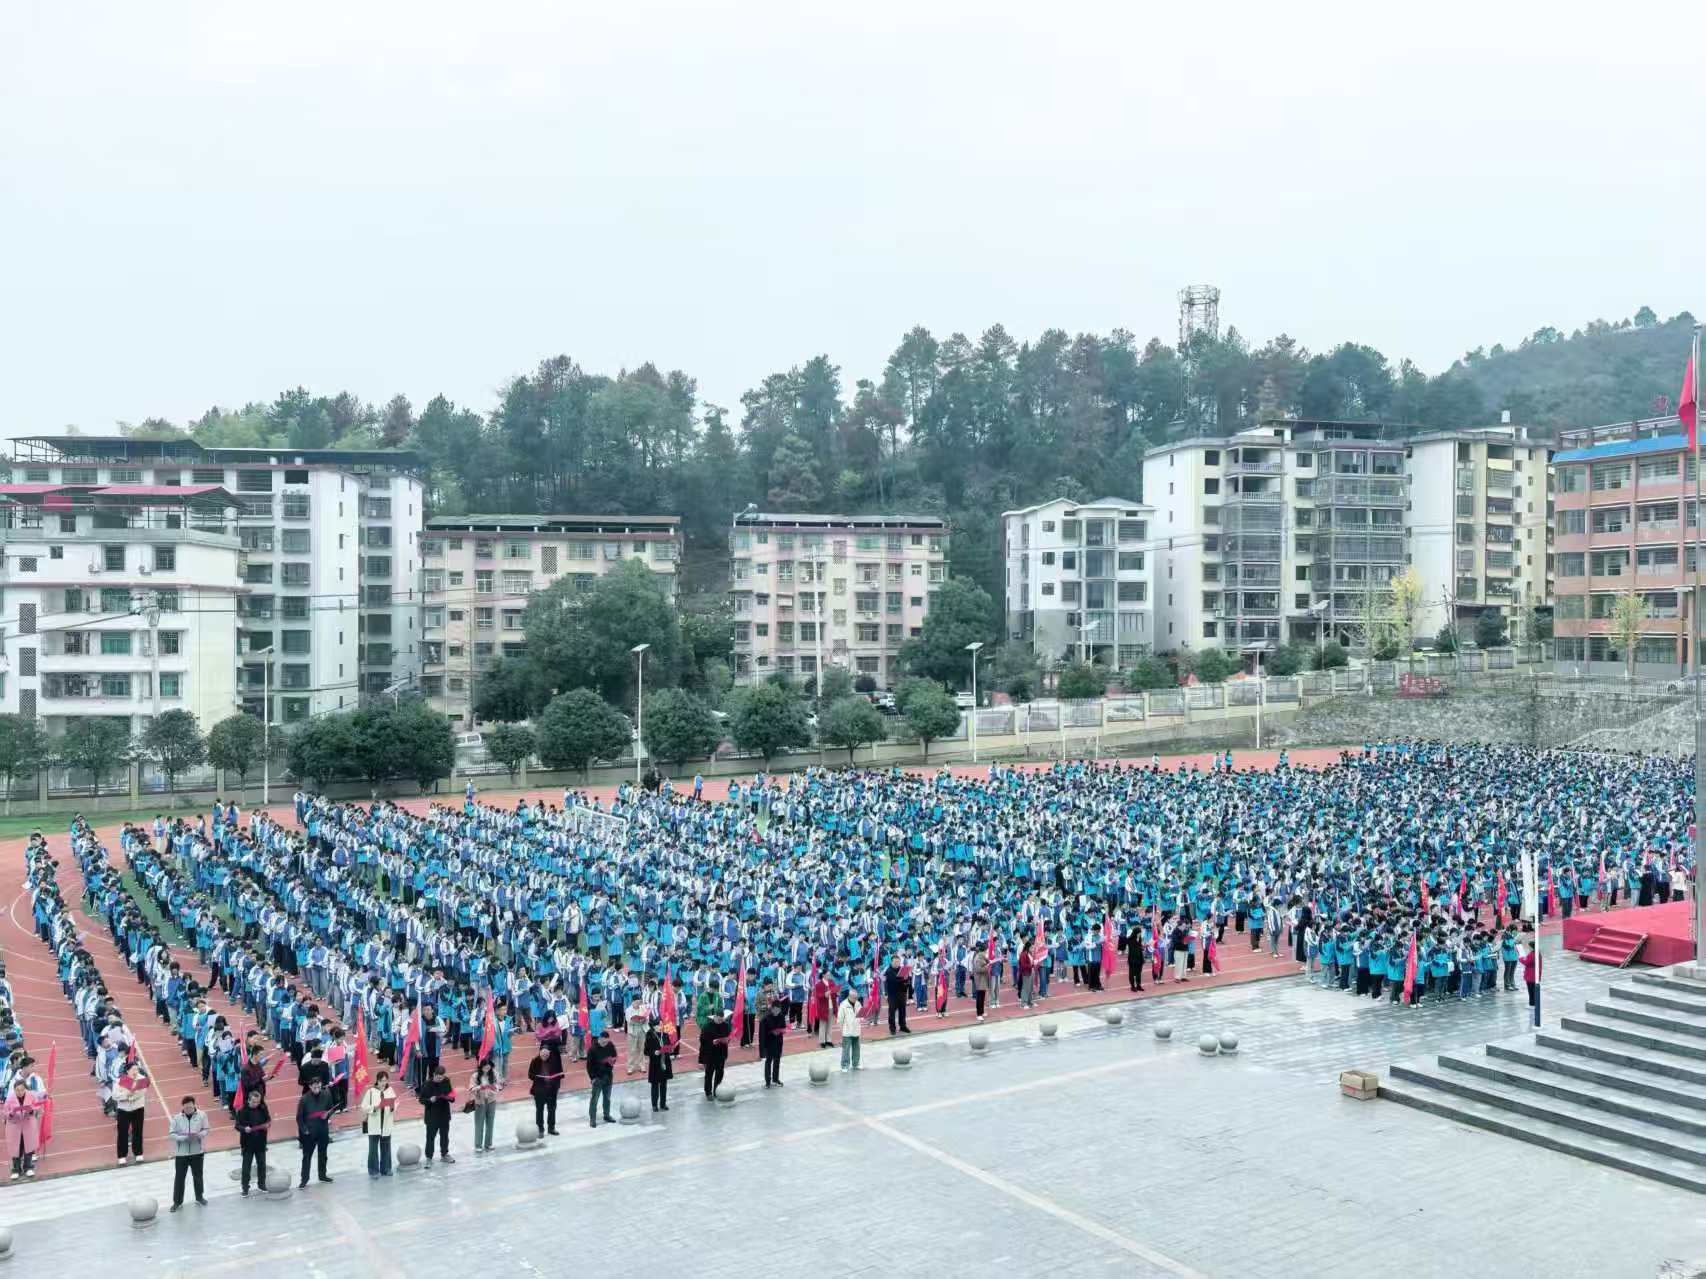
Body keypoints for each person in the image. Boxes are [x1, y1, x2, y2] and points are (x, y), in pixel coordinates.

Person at [168, 1094, 209, 1210]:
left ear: (194, 1105)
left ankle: (199, 1197)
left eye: (190, 1107)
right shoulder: (176, 1118)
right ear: (183, 1107)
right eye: (186, 1108)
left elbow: (206, 1129)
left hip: (197, 1152)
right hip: (181, 1153)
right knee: (179, 1177)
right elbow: (171, 1134)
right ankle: (177, 1202)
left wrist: (199, 1135)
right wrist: (182, 1138)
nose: (188, 1109)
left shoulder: (202, 1115)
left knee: (198, 1176)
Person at [296, 1076, 333, 1187]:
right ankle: (304, 1179)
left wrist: (327, 1115)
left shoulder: (326, 1094)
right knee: (307, 1156)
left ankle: (322, 1175)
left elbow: (330, 1109)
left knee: (323, 1154)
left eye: (319, 1086)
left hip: (322, 1129)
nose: (317, 1089)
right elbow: (299, 1117)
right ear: (310, 1087)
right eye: (315, 1087)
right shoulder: (304, 1099)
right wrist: (305, 1130)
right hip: (309, 1132)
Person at [418, 1061, 457, 1165]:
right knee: (430, 1137)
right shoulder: (427, 1084)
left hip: (444, 1113)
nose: (440, 1080)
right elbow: (421, 1100)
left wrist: (450, 1097)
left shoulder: (446, 1081)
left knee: (444, 1135)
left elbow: (451, 1094)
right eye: (438, 1078)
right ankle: (429, 1158)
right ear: (434, 1075)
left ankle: (444, 1154)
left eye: (442, 1078)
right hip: (432, 1115)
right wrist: (430, 1100)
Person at [361, 1068, 399, 1176]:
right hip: (374, 1124)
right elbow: (364, 1106)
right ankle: (373, 1170)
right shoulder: (371, 1092)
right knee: (373, 1149)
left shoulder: (390, 1090)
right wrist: (375, 1107)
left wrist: (392, 1106)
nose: (384, 1083)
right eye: (382, 1081)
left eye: (386, 1080)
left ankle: (386, 1169)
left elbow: (395, 1103)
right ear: (377, 1080)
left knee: (386, 1147)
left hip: (386, 1123)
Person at [234, 1084, 271, 1195]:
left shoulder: (263, 1108)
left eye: (258, 1102)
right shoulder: (242, 1111)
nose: (256, 1104)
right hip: (247, 1143)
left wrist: (267, 1125)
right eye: (254, 1102)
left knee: (262, 1165)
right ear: (249, 1100)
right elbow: (237, 1126)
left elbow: (268, 1120)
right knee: (246, 1167)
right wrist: (244, 1129)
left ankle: (261, 1184)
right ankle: (245, 1187)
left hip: (260, 1141)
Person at [3, 1078, 42, 1180]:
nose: (20, 1092)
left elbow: (37, 1107)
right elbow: (5, 1113)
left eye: (22, 1090)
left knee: (28, 1147)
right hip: (15, 1126)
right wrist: (11, 1114)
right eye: (17, 1090)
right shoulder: (10, 1098)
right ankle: (16, 1169)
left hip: (28, 1125)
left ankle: (28, 1167)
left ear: (25, 1089)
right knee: (16, 1148)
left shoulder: (31, 1096)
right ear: (14, 1090)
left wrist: (31, 1111)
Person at [112, 1057, 148, 1165]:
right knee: (122, 1132)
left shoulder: (142, 1079)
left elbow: (142, 1092)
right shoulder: (120, 1080)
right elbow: (115, 1095)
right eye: (133, 1069)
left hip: (138, 1108)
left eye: (137, 1069)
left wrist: (132, 1097)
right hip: (123, 1110)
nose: (135, 1072)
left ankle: (138, 1153)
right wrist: (127, 1095)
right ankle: (122, 1156)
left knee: (138, 1131)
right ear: (127, 1071)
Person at [528, 1042, 563, 1136]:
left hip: (552, 1090)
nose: (544, 1057)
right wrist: (539, 1077)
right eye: (543, 1055)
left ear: (549, 1053)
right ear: (540, 1053)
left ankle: (551, 1128)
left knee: (552, 1109)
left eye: (546, 1055)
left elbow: (559, 1074)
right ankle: (540, 1129)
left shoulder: (554, 1060)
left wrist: (556, 1086)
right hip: (540, 1090)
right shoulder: (535, 1061)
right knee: (539, 1110)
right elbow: (530, 1075)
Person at [586, 1027, 617, 1127]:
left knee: (607, 1098)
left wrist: (612, 1061)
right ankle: (592, 1119)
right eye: (603, 1042)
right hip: (597, 1077)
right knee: (594, 1099)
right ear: (599, 1039)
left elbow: (614, 1056)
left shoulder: (610, 1045)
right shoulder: (592, 1049)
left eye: (606, 1042)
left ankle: (606, 1115)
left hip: (608, 1075)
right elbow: (589, 1066)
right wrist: (592, 1078)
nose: (605, 1044)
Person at [643, 1023, 676, 1112]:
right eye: (658, 1025)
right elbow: (646, 1051)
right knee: (655, 1084)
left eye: (661, 1025)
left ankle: (663, 1104)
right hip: (655, 1064)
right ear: (654, 1026)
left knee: (664, 1084)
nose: (661, 1026)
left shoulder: (664, 1034)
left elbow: (668, 1045)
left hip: (665, 1062)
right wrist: (654, 1052)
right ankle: (654, 1105)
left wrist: (670, 1049)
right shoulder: (650, 1036)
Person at [700, 1008, 730, 1099]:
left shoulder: (725, 1025)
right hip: (710, 1054)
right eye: (719, 1020)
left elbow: (728, 1036)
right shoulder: (707, 1026)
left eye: (722, 1020)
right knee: (709, 1074)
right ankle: (708, 1092)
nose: (720, 1021)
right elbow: (702, 1041)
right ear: (715, 1017)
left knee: (720, 1073)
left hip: (721, 1053)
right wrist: (711, 1042)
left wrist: (727, 1040)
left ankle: (717, 1090)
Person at [470, 1058, 500, 1152]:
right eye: (485, 1067)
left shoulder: (494, 1074)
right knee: (479, 1124)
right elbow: (471, 1088)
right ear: (481, 1067)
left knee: (490, 1123)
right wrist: (480, 1087)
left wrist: (494, 1088)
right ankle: (478, 1145)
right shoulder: (475, 1076)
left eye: (488, 1067)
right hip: (480, 1102)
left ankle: (488, 1144)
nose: (487, 1069)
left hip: (491, 1101)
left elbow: (498, 1086)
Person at [759, 999, 787, 1087]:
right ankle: (767, 1081)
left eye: (779, 1010)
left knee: (777, 1060)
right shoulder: (766, 1018)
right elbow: (762, 1033)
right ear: (772, 1008)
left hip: (778, 1041)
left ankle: (775, 1079)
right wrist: (771, 1032)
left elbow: (783, 1027)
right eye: (776, 1010)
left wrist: (782, 1031)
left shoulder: (781, 1016)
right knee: (769, 1061)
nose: (777, 1012)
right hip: (769, 1042)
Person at [837, 987, 862, 1072]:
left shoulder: (858, 1004)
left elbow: (861, 1015)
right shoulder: (843, 1005)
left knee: (856, 1049)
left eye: (856, 997)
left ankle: (856, 1064)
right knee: (846, 1049)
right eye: (854, 998)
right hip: (847, 1031)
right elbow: (840, 1019)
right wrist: (842, 1029)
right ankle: (844, 1066)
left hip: (856, 1029)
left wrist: (862, 1018)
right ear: (850, 997)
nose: (856, 999)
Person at [884, 956, 911, 1035]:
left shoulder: (902, 969)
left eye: (898, 962)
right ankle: (892, 1028)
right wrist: (903, 978)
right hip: (892, 994)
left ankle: (903, 1026)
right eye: (895, 962)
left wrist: (906, 978)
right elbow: (894, 980)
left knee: (902, 1010)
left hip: (902, 993)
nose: (897, 963)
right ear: (891, 962)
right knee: (892, 1011)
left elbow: (906, 981)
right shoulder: (888, 971)